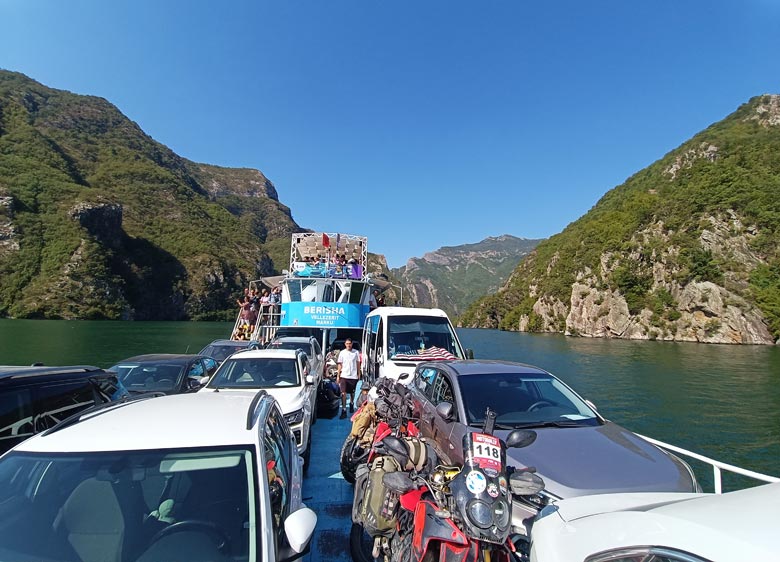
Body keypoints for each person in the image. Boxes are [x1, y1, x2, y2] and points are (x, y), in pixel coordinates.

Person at [337, 338, 361, 419]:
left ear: (352, 344)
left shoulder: (356, 352)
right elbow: (340, 364)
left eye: (349, 343)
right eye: (347, 343)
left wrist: (359, 373)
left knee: (352, 393)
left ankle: (351, 403)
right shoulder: (342, 353)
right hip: (344, 376)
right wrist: (338, 375)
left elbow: (358, 363)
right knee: (343, 393)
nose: (348, 345)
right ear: (345, 344)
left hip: (353, 376)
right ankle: (344, 410)